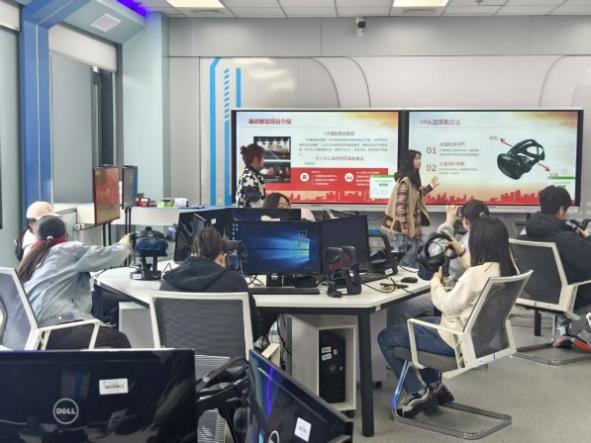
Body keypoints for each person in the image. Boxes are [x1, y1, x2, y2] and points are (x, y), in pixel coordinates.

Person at [378, 217, 516, 418]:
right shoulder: (508, 270)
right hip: (481, 339)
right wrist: (461, 251)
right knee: (418, 326)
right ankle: (436, 387)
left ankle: (418, 392)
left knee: (386, 338)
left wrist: (436, 283)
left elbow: (446, 306)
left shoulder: (474, 275)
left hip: (454, 341)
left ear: (479, 243)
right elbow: (477, 272)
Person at [17, 215, 132, 349]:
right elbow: (110, 255)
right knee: (119, 339)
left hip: (33, 332)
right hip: (56, 328)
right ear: (65, 234)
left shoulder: (34, 256)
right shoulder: (68, 249)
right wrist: (125, 243)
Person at [160, 226, 276, 341]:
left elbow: (162, 332)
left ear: (192, 254)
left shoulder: (167, 284)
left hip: (181, 353)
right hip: (229, 353)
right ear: (223, 257)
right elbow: (253, 332)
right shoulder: (235, 281)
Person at [388, 199, 490, 327]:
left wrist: (449, 222)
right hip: (472, 303)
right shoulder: (492, 239)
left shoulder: (469, 241)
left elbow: (435, 251)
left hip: (453, 298)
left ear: (465, 221)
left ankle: (397, 337)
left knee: (398, 307)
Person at [519, 185, 591, 344]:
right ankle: (587, 335)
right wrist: (587, 239)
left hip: (533, 293)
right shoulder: (564, 238)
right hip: (565, 297)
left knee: (564, 275)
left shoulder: (524, 232)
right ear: (561, 209)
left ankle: (564, 331)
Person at [382, 150, 439, 267]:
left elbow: (417, 195)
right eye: (416, 158)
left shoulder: (412, 180)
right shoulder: (405, 181)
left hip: (413, 229)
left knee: (413, 261)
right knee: (405, 265)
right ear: (409, 161)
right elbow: (400, 208)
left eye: (420, 158)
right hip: (404, 232)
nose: (419, 161)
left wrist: (430, 187)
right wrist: (405, 231)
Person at [236, 143, 266, 208]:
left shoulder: (251, 175)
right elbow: (255, 205)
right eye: (263, 157)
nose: (264, 160)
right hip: (249, 214)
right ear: (256, 159)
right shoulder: (249, 177)